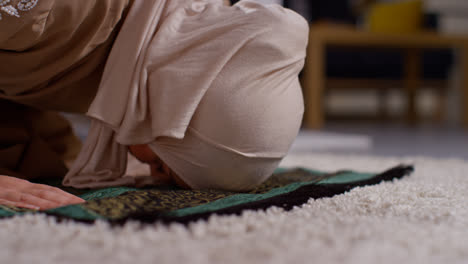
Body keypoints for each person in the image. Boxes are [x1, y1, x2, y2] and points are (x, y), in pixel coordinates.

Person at [0, 0, 308, 210]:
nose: (149, 173)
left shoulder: (142, 36)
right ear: (170, 108)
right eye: (161, 165)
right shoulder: (48, 11)